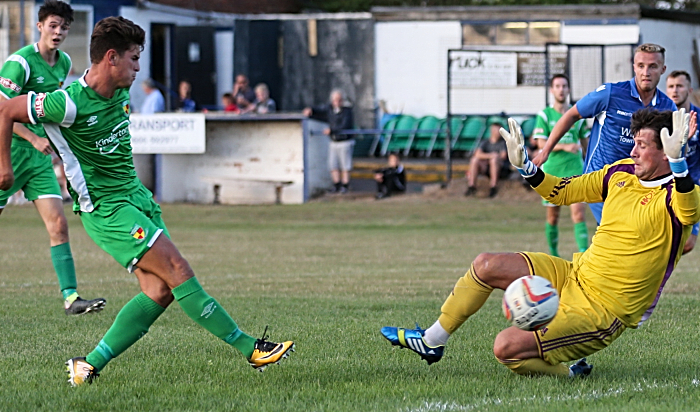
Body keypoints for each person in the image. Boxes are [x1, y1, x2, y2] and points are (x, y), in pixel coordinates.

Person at [0, 16, 294, 386]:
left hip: (137, 199)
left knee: (160, 291)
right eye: (134, 58)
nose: (139, 68)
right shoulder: (66, 103)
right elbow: (6, 109)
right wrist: (4, 166)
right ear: (111, 57)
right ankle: (250, 347)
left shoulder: (120, 90)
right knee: (178, 269)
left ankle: (87, 365)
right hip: (107, 209)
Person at [380, 109, 698, 378]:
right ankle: (433, 340)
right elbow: (559, 191)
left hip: (604, 309)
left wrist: (679, 163)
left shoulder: (679, 194)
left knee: (506, 348)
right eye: (634, 143)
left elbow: (689, 209)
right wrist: (527, 167)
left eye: (642, 145)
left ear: (666, 150)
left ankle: (568, 372)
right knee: (486, 264)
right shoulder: (619, 173)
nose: (633, 151)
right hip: (575, 274)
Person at [0, 0, 105, 315]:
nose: (58, 32)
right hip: (10, 151)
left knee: (59, 223)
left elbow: (51, 112)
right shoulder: (20, 63)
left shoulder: (64, 63)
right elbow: (2, 112)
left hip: (38, 160)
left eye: (64, 28)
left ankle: (71, 298)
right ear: (40, 26)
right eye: (53, 25)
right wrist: (29, 140)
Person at [533, 43, 677, 224]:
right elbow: (572, 115)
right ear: (633, 66)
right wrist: (545, 151)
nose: (645, 72)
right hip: (600, 182)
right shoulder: (611, 94)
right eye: (641, 66)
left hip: (638, 185)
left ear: (663, 69)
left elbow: (669, 151)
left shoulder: (667, 107)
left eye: (652, 66)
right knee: (619, 235)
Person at [534, 74, 590, 257]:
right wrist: (565, 146)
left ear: (568, 89)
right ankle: (554, 255)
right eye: (557, 86)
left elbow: (586, 143)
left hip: (575, 169)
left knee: (579, 214)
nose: (561, 89)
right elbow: (541, 144)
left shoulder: (576, 115)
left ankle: (583, 256)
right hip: (552, 171)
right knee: (553, 217)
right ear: (552, 90)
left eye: (564, 86)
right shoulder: (545, 115)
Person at [666, 70, 700, 254]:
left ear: (689, 89)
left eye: (679, 86)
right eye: (671, 86)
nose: (675, 91)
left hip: (693, 187)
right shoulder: (663, 119)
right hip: (665, 188)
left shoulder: (699, 118)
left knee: (687, 244)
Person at [303, 89, 355, 194]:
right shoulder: (330, 109)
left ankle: (345, 185)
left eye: (339, 100)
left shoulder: (347, 111)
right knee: (333, 165)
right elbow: (319, 110)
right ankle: (336, 185)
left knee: (345, 165)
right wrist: (310, 110)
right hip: (333, 141)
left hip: (344, 141)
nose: (337, 102)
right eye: (335, 100)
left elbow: (345, 125)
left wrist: (332, 130)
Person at [464, 118, 509, 198]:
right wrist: (490, 155)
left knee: (494, 160)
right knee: (475, 160)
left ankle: (493, 187)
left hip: (501, 168)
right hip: (486, 167)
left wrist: (493, 157)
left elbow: (503, 155)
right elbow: (477, 154)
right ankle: (472, 186)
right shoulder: (485, 142)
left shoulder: (503, 143)